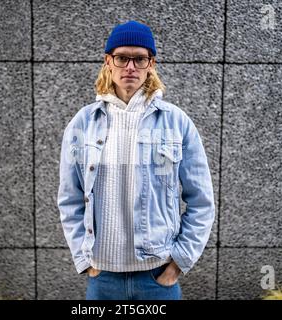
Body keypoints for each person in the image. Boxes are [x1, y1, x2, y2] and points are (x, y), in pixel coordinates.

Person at [58, 20, 215, 300]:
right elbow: (69, 199)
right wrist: (85, 263)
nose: (130, 67)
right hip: (103, 278)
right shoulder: (82, 124)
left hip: (157, 278)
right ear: (108, 61)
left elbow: (201, 200)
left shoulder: (177, 123)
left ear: (151, 64)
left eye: (139, 59)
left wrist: (178, 263)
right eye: (122, 58)